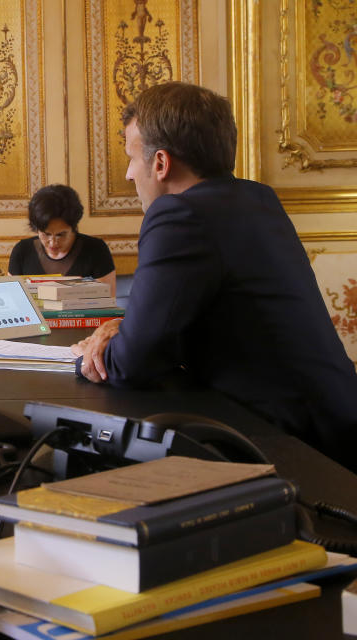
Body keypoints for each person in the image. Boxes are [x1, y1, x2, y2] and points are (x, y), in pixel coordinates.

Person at [72, 82, 357, 471]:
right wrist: (126, 328)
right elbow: (185, 318)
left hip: (290, 450)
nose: (127, 174)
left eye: (131, 157)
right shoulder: (257, 199)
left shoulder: (179, 216)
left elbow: (130, 364)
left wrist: (90, 353)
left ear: (160, 163)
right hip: (336, 428)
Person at [8, 184, 117, 295]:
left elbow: (109, 299)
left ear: (73, 227)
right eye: (46, 234)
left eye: (61, 235)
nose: (53, 242)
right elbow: (13, 299)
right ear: (36, 229)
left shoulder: (96, 249)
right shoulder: (22, 251)